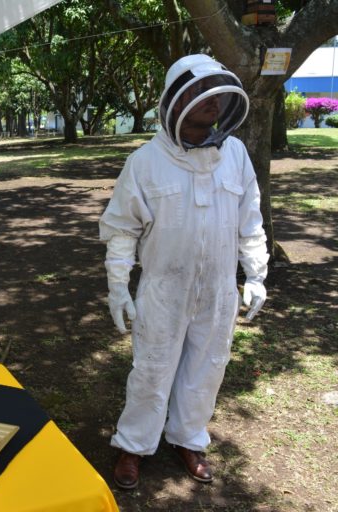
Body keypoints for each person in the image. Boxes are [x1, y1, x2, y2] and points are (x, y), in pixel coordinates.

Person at [99, 54, 269, 489]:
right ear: (175, 100)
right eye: (199, 91)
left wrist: (255, 274)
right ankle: (133, 446)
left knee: (208, 367)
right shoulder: (144, 162)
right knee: (152, 369)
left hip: (217, 289)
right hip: (163, 289)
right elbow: (121, 230)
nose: (211, 101)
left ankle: (187, 438)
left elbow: (250, 218)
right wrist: (118, 288)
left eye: (217, 91)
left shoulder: (235, 155)